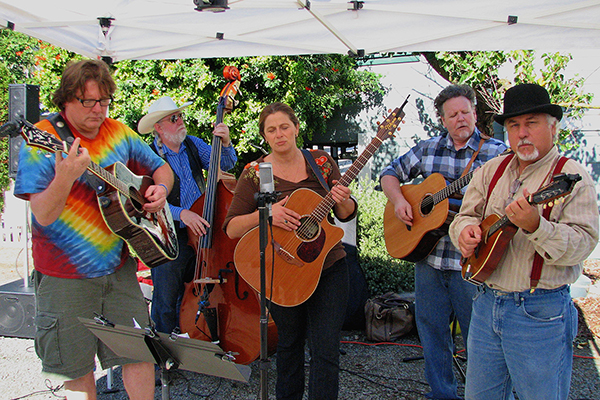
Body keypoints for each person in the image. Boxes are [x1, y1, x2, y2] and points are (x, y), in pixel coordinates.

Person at [14, 59, 174, 399]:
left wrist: (161, 190)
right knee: (76, 367)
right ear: (67, 99)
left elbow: (161, 168)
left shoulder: (118, 132)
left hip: (118, 271)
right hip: (63, 278)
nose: (99, 110)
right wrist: (66, 176)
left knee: (140, 354)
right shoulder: (43, 139)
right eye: (89, 102)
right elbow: (43, 213)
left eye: (104, 101)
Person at [449, 83, 599, 400]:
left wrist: (537, 226)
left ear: (552, 126)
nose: (521, 133)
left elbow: (582, 243)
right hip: (486, 303)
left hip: (539, 312)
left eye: (531, 123)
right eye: (514, 125)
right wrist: (463, 233)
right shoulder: (492, 170)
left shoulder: (572, 177)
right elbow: (464, 216)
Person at [380, 84, 508, 399]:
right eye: (453, 114)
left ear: (475, 114)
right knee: (433, 335)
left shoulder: (497, 154)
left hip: (471, 262)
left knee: (479, 338)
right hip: (430, 260)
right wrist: (398, 200)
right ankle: (443, 393)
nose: (461, 118)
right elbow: (389, 172)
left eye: (466, 112)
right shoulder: (427, 149)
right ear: (443, 119)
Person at [223, 102, 357, 399]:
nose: (279, 134)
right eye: (271, 130)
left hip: (328, 267)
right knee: (289, 346)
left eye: (285, 127)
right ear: (265, 136)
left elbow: (345, 214)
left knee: (326, 349)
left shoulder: (321, 162)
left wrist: (343, 199)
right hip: (281, 271)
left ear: (296, 128)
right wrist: (266, 215)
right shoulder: (256, 173)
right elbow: (231, 228)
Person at [137, 96, 237, 334]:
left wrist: (226, 142)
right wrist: (183, 214)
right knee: (166, 299)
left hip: (202, 230)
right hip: (169, 234)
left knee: (203, 288)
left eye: (180, 116)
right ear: (158, 128)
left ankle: (199, 337)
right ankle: (166, 360)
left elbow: (227, 163)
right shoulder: (149, 157)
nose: (180, 121)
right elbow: (146, 201)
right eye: (174, 118)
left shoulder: (193, 144)